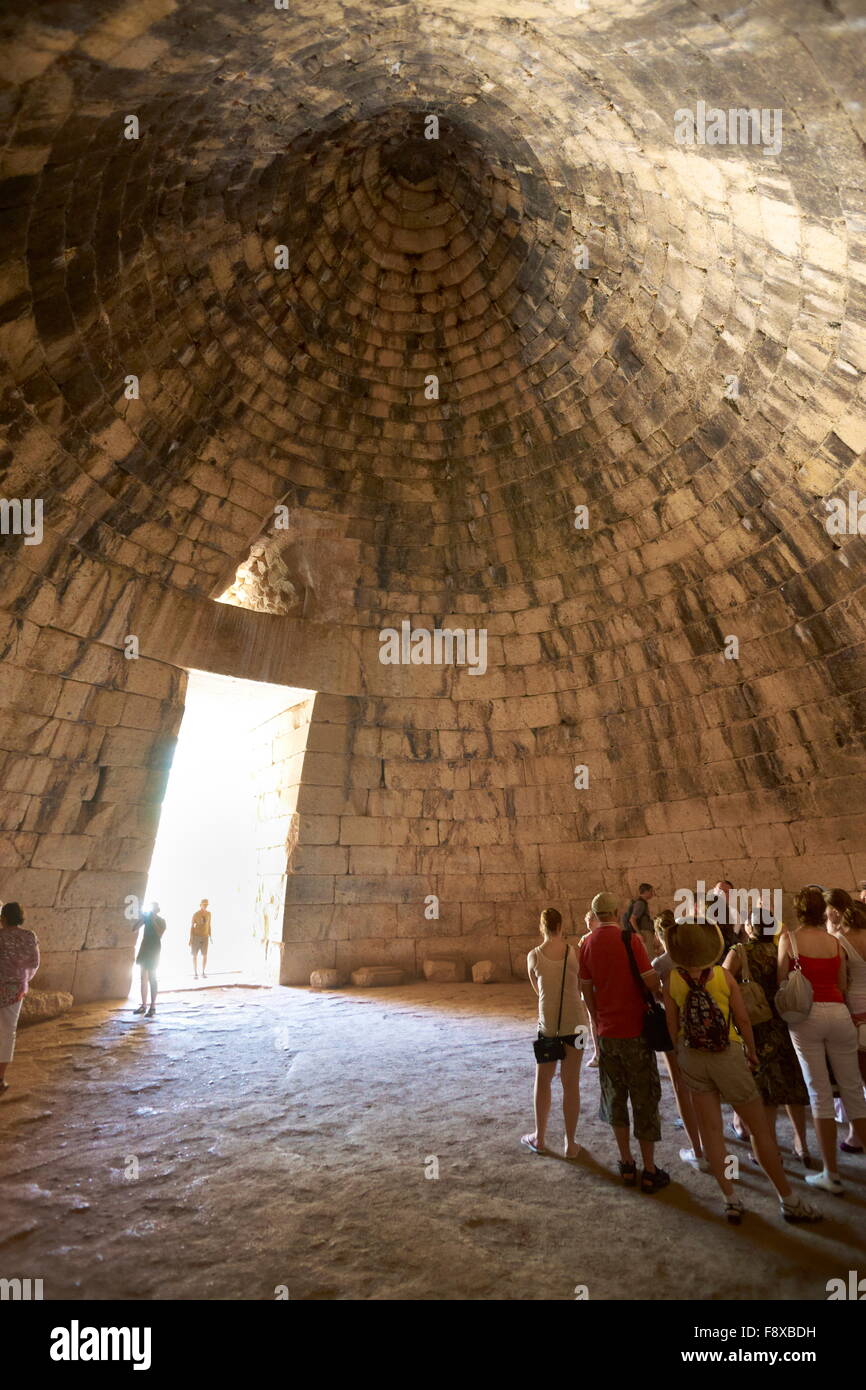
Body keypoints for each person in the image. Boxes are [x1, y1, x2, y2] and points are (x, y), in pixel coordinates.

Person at [664, 917, 820, 1226]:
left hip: (693, 1057)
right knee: (760, 1130)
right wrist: (750, 1052)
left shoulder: (671, 979)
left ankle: (730, 1200)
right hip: (727, 1054)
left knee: (711, 1132)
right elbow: (743, 1019)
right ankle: (788, 1199)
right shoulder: (723, 976)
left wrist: (680, 1054)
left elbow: (672, 1024)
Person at [579, 892, 670, 1192]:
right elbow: (648, 980)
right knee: (644, 1098)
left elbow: (587, 990)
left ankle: (626, 1163)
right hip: (636, 1032)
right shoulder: (629, 940)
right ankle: (649, 1168)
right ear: (617, 911)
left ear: (594, 913)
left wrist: (597, 1018)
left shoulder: (587, 944)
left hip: (608, 1034)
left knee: (614, 1097)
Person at [778, 886, 866, 1194]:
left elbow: (781, 980)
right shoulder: (834, 941)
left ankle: (831, 1173)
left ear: (798, 910)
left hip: (807, 1017)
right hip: (840, 1014)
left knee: (820, 1094)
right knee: (853, 1089)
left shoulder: (789, 940)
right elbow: (842, 982)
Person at [723, 909, 811, 1166]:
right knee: (792, 1085)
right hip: (785, 1022)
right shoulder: (780, 950)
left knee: (765, 1090)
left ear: (750, 928)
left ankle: (770, 1149)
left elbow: (724, 982)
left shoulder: (739, 951)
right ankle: (802, 1145)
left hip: (757, 1027)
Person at [523, 908, 587, 1159]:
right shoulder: (575, 953)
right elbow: (581, 986)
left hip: (548, 1026)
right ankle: (570, 1144)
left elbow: (537, 991)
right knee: (571, 1084)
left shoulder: (534, 956)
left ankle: (539, 1137)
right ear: (562, 925)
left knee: (543, 1081)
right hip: (577, 1026)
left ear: (542, 927)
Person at [651, 910, 706, 1171]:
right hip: (701, 1024)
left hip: (674, 1027)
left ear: (658, 935)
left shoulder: (660, 964)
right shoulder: (695, 956)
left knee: (680, 1085)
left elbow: (658, 997)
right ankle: (714, 1141)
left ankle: (697, 1149)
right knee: (705, 1085)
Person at [825, 890, 866, 1154]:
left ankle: (856, 1135)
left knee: (855, 1076)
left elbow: (840, 982)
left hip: (855, 1011)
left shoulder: (840, 941)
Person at [0, 902, 40, 1094]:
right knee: (8, 1033)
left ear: (3, 918)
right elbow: (34, 963)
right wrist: (23, 981)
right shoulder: (29, 936)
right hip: (15, 991)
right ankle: (0, 1079)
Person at [132, 901, 166, 1018]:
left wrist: (153, 920)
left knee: (152, 978)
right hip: (144, 949)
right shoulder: (146, 918)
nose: (152, 910)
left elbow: (160, 934)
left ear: (158, 910)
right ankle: (144, 1005)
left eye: (154, 908)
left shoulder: (162, 921)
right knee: (143, 978)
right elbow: (134, 929)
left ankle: (153, 1006)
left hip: (154, 950)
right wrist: (142, 918)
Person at [623, 884, 658, 959]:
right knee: (650, 956)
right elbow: (632, 919)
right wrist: (639, 934)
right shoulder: (640, 904)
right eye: (651, 891)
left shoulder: (642, 903)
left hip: (644, 932)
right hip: (644, 932)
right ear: (645, 892)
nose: (652, 893)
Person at [189, 898, 212, 979]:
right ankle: (195, 973)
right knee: (195, 955)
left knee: (205, 955)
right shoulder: (196, 914)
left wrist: (210, 935)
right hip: (196, 937)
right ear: (200, 905)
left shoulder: (209, 914)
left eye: (206, 904)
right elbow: (192, 927)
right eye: (204, 904)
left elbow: (209, 924)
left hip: (205, 937)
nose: (205, 906)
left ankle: (203, 972)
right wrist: (190, 939)